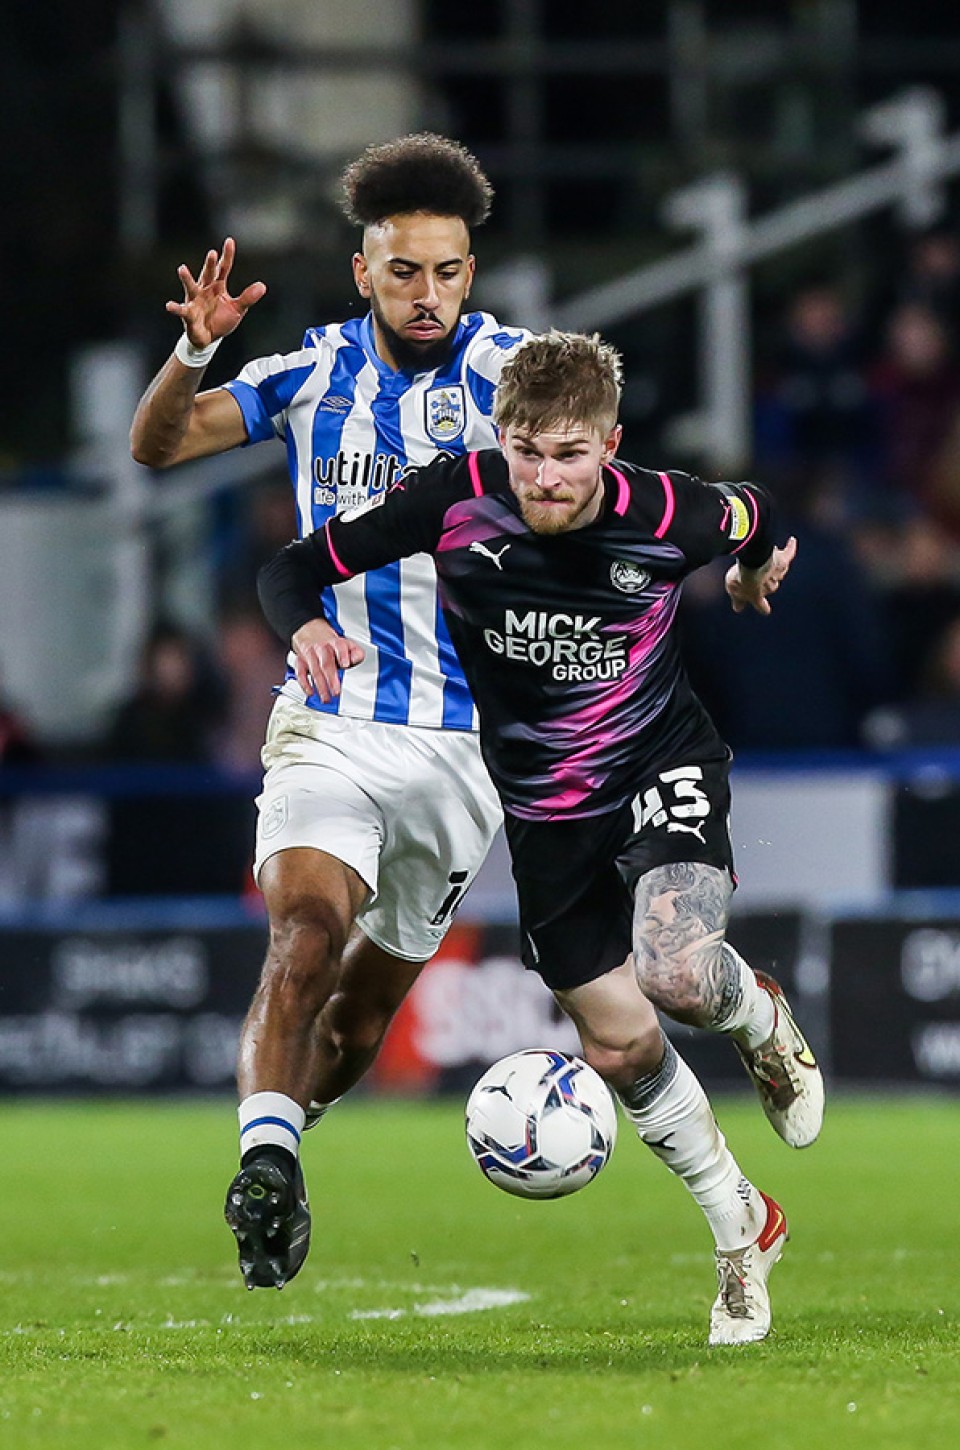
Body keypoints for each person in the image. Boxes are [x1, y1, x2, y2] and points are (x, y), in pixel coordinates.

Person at [257, 331, 824, 1346]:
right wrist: (303, 623)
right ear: (501, 440)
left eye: (568, 453)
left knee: (677, 972)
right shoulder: (455, 497)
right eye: (526, 450)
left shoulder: (665, 510)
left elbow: (757, 511)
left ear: (609, 443)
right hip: (546, 812)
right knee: (618, 1040)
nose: (544, 476)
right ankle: (745, 1224)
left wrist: (745, 577)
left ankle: (754, 1015)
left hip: (658, 763)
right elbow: (297, 565)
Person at [129, 136, 530, 1288]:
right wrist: (194, 350)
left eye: (448, 272)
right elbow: (157, 444)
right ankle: (265, 1164)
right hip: (332, 719)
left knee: (355, 1026)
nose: (427, 294)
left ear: (471, 271)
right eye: (404, 271)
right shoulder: (307, 375)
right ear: (364, 273)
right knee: (302, 935)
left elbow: (610, 494)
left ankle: (286, 1135)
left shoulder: (519, 376)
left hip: (467, 750)